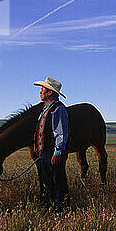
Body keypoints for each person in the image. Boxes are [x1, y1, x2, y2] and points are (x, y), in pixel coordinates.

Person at [33, 77, 70, 211]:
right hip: (45, 152)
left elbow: (60, 132)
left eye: (43, 90)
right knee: (48, 181)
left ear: (50, 93)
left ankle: (62, 208)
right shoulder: (45, 109)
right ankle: (51, 206)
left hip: (53, 152)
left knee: (58, 180)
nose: (40, 92)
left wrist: (57, 152)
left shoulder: (58, 109)